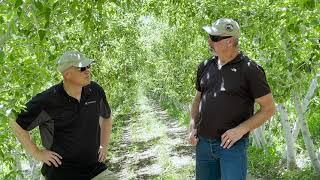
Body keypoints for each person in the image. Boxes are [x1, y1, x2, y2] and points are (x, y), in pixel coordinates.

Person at [187, 18, 276, 180]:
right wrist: (193, 125)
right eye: (210, 36)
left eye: (214, 38)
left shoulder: (250, 70)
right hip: (204, 145)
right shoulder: (205, 66)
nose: (209, 41)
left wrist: (240, 129)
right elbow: (198, 100)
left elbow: (269, 109)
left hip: (232, 147)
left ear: (230, 41)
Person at [10, 51, 117, 180]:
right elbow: (15, 122)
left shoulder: (95, 91)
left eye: (88, 66)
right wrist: (36, 152)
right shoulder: (47, 100)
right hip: (61, 174)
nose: (88, 71)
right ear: (67, 74)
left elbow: (106, 117)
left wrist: (104, 145)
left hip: (94, 169)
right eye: (82, 68)